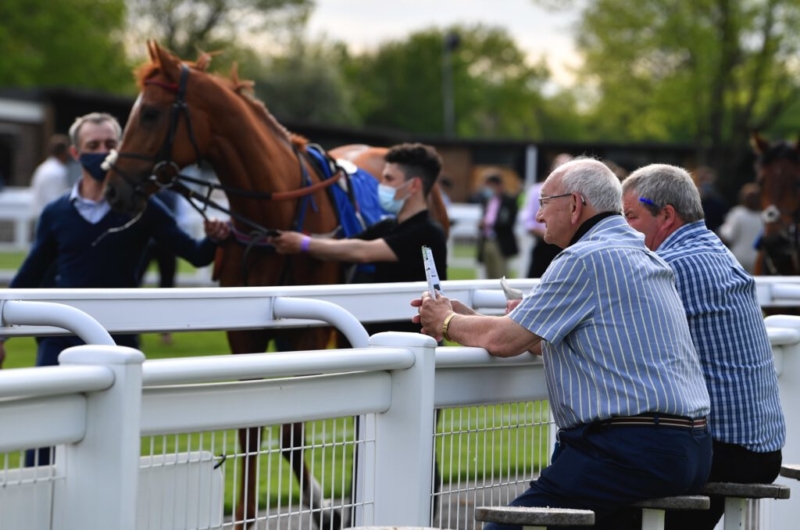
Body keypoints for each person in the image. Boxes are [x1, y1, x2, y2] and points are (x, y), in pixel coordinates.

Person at [415, 158, 711, 530]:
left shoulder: (583, 257)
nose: (538, 216)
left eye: (543, 202)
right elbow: (541, 338)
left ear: (574, 205)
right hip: (689, 447)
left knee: (507, 526)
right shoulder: (642, 254)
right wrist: (463, 317)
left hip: (630, 450)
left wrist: (444, 321)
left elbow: (504, 340)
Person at [0, 112, 229, 464]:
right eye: (93, 146)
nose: (102, 152)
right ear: (76, 154)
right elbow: (30, 274)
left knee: (110, 449)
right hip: (58, 339)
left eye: (110, 145)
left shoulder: (143, 209)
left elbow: (195, 255)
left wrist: (215, 239)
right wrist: (2, 333)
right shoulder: (56, 213)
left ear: (122, 150)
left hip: (117, 342)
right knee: (41, 444)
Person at [621, 164, 784, 530]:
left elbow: (611, 340)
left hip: (725, 449)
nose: (621, 228)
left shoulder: (668, 266)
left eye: (629, 216)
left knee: (603, 477)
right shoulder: (716, 251)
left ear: (666, 215)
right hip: (760, 446)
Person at [270, 142, 447, 335]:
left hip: (418, 341)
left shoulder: (427, 232)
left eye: (389, 179)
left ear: (414, 185)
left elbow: (361, 252)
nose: (382, 186)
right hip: (386, 337)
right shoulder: (388, 227)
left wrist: (303, 243)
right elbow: (342, 245)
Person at [519, 154, 570, 278]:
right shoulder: (537, 190)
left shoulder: (576, 192)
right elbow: (528, 221)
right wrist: (547, 233)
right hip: (543, 245)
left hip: (568, 247)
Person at [476, 174, 518, 279]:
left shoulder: (509, 201)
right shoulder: (487, 200)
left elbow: (509, 222)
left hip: (500, 241)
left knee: (501, 273)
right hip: (486, 240)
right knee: (489, 273)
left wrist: (490, 224)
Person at [719, 182, 763, 273]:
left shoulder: (737, 213)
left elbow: (728, 235)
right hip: (757, 259)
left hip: (738, 259)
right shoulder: (764, 216)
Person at [30, 134, 71, 217]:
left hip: (39, 215)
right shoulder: (57, 171)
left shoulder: (43, 167)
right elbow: (55, 200)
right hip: (50, 218)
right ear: (63, 153)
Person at [693, 165, 729, 234]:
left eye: (709, 180)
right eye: (703, 180)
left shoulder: (719, 204)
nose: (706, 183)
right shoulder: (688, 202)